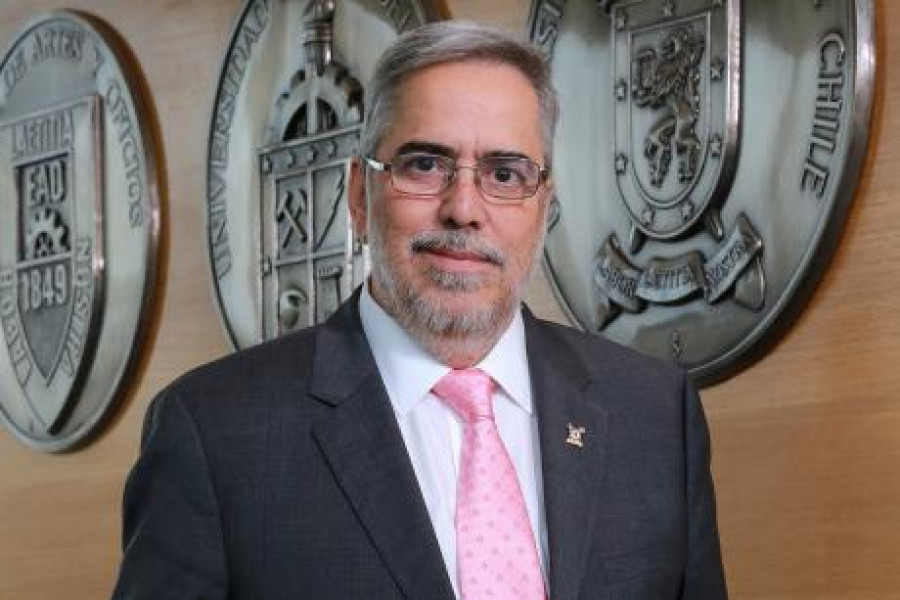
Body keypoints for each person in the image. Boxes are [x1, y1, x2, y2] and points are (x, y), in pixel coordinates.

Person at [111, 21, 727, 600]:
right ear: (360, 194)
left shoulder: (654, 417)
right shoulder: (216, 433)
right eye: (425, 165)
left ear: (543, 206)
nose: (464, 209)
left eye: (505, 174)